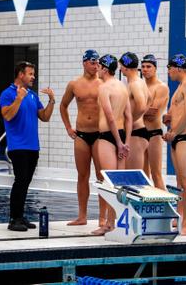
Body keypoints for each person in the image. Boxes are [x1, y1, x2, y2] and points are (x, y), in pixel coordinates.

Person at [0, 61, 55, 232]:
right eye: (30, 74)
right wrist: (18, 98)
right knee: (20, 181)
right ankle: (13, 219)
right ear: (20, 75)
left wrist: (51, 100)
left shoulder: (32, 95)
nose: (33, 77)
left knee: (25, 182)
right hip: (18, 146)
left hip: (32, 146)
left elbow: (44, 117)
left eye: (33, 74)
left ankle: (20, 216)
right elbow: (7, 115)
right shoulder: (8, 93)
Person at [60, 50, 103, 226]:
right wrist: (69, 128)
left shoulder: (103, 83)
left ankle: (103, 217)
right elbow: (63, 106)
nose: (95, 66)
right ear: (84, 63)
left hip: (100, 135)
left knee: (102, 177)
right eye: (92, 63)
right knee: (82, 175)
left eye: (97, 63)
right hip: (82, 135)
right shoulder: (74, 84)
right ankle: (82, 216)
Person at [93, 54, 132, 235]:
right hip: (122, 136)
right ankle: (113, 222)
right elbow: (129, 118)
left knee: (108, 182)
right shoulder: (123, 87)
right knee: (118, 184)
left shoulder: (104, 88)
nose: (97, 69)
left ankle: (108, 224)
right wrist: (125, 142)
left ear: (105, 69)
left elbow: (109, 117)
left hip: (109, 137)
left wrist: (117, 142)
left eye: (99, 66)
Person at [163, 54, 186, 236]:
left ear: (177, 68)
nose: (168, 72)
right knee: (181, 183)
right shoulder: (180, 88)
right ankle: (183, 220)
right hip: (176, 137)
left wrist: (174, 132)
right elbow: (177, 112)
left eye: (169, 68)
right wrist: (168, 119)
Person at [141, 55, 169, 190]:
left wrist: (136, 110)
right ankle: (146, 207)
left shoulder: (161, 87)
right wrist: (144, 110)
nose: (145, 69)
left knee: (156, 173)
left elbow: (153, 114)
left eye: (149, 67)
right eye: (143, 66)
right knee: (143, 174)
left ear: (155, 68)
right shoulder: (139, 85)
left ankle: (164, 207)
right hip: (139, 134)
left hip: (154, 134)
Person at [119, 52, 150, 170]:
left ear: (126, 67)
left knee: (134, 179)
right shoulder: (140, 81)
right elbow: (150, 98)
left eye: (121, 65)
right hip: (139, 131)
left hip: (136, 133)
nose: (120, 68)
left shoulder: (134, 84)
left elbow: (141, 106)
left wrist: (130, 122)